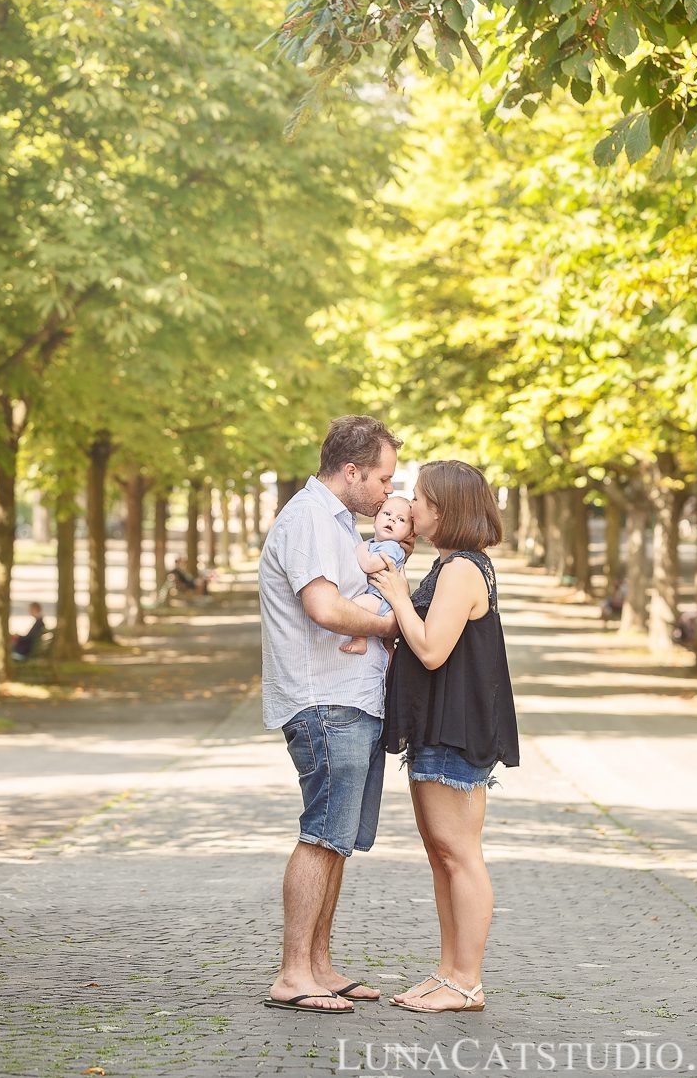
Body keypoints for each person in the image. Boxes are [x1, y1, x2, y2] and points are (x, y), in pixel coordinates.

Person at [259, 415, 405, 1015]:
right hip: (325, 700)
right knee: (321, 833)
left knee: (337, 839)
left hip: (350, 698)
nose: (387, 492)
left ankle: (318, 963)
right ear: (352, 472)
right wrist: (387, 624)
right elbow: (323, 607)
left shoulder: (337, 522)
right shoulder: (310, 519)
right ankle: (294, 973)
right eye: (382, 479)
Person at [370, 459, 519, 1015]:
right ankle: (449, 972)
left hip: (455, 729)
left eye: (424, 498)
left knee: (459, 855)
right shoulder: (453, 564)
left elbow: (432, 648)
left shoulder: (461, 571)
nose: (415, 506)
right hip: (439, 724)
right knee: (443, 856)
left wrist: (398, 594)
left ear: (447, 508)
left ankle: (466, 981)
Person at [340, 496, 414, 656]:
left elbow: (368, 565)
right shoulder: (377, 544)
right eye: (387, 513)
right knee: (387, 646)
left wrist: (360, 548)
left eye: (401, 519)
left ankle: (360, 639)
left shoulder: (393, 548)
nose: (392, 520)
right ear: (375, 519)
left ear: (409, 533)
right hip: (381, 598)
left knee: (355, 606)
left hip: (382, 600)